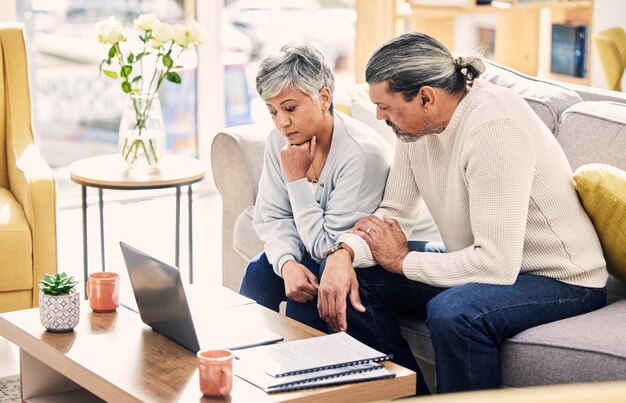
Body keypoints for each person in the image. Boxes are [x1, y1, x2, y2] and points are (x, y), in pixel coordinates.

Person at [318, 32, 608, 394]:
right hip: (484, 261)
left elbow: (495, 265)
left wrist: (404, 261)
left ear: (425, 97)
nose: (379, 115)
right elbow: (395, 213)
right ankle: (405, 396)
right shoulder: (415, 130)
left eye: (387, 106)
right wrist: (342, 253)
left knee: (454, 312)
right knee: (354, 280)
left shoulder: (493, 128)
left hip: (562, 279)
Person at [239, 42, 393, 331]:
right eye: (272, 112)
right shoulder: (279, 141)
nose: (282, 122)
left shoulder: (360, 154)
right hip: (321, 249)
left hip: (366, 257)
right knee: (260, 270)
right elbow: (272, 216)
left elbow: (327, 247)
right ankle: (246, 359)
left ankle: (304, 369)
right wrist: (286, 263)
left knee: (312, 281)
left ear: (323, 98)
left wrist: (296, 180)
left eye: (290, 108)